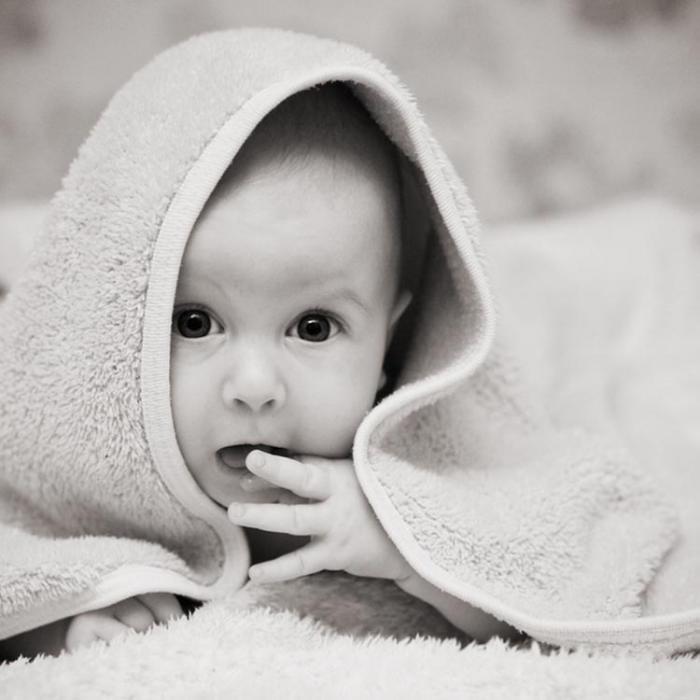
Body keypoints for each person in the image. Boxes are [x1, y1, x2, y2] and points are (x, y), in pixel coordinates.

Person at [3, 84, 511, 656]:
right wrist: (66, 621)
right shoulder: (70, 480)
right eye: (194, 322)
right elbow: (20, 573)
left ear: (388, 345)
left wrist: (412, 550)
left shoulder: (415, 481)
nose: (253, 388)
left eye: (314, 327)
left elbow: (547, 599)